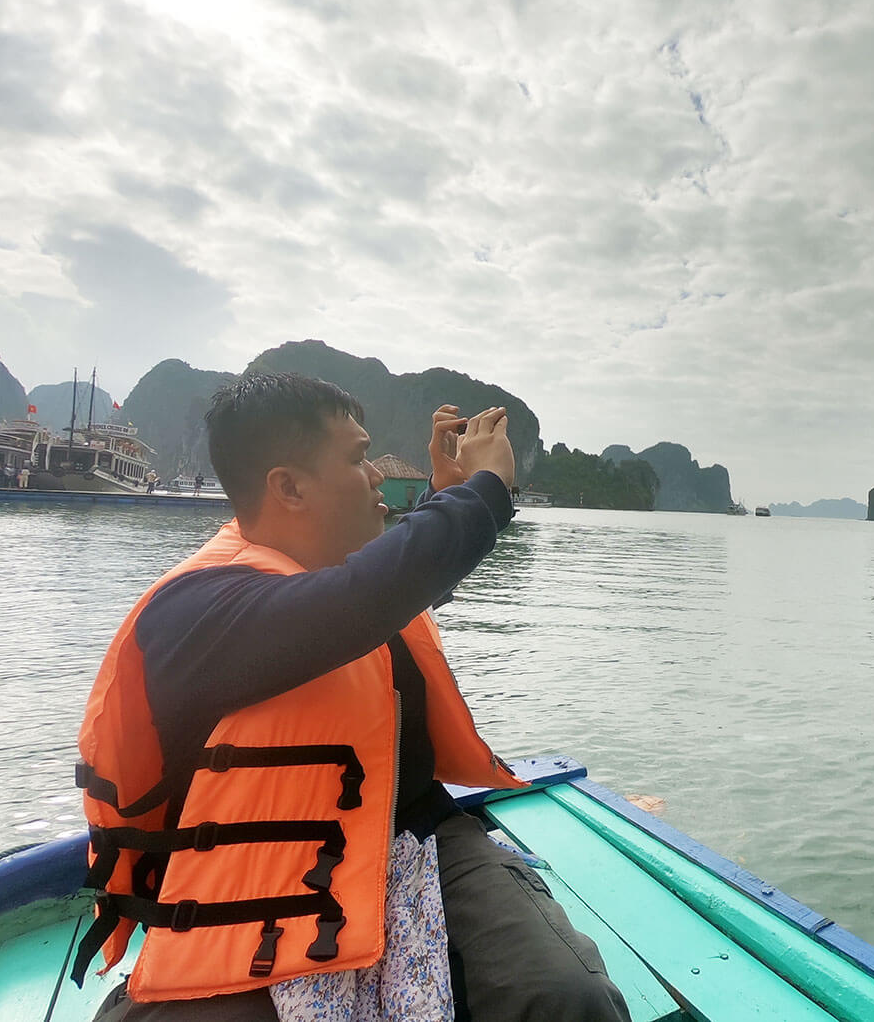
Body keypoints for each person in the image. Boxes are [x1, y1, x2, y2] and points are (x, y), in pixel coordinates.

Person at [76, 373, 628, 1022]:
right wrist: (486, 490)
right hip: (254, 867)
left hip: (418, 837)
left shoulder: (354, 581)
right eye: (358, 458)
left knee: (566, 995)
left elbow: (394, 579)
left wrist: (445, 492)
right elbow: (357, 598)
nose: (376, 475)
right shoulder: (196, 612)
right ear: (289, 487)